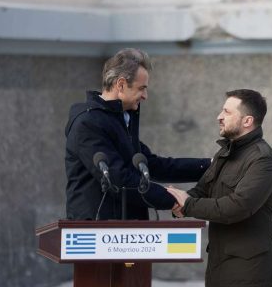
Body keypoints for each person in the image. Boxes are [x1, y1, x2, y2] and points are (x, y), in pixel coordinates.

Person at [167, 89, 272, 287]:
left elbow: (237, 207)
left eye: (227, 112)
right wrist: (176, 201)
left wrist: (188, 204)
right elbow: (202, 190)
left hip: (248, 275)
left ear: (247, 120)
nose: (219, 116)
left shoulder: (263, 161)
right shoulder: (225, 153)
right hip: (221, 270)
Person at [65, 48, 210, 220]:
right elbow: (118, 180)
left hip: (127, 229)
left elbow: (153, 165)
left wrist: (211, 166)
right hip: (98, 229)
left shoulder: (120, 120)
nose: (145, 96)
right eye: (142, 88)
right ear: (120, 84)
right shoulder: (88, 123)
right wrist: (173, 200)